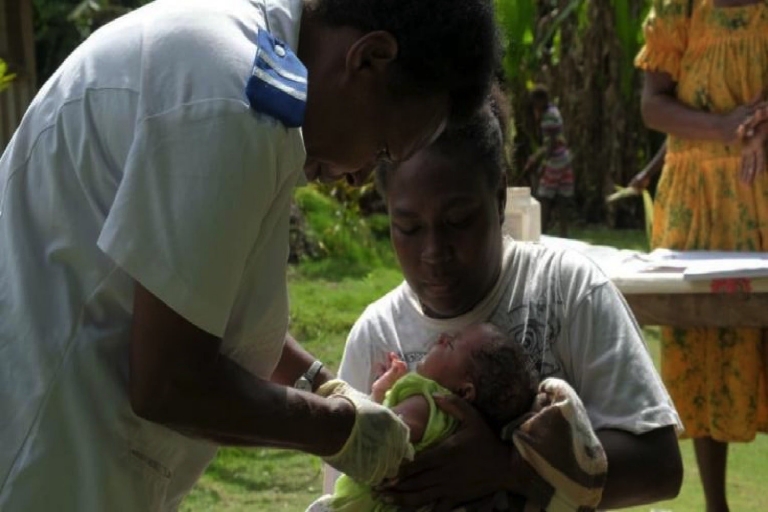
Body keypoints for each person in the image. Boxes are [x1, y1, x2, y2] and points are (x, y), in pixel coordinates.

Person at [0, 0, 500, 509]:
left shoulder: (252, 70)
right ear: (369, 58)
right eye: (383, 150)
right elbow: (169, 382)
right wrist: (342, 431)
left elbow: (194, 294)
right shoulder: (232, 100)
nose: (358, 177)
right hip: (38, 459)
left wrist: (326, 386)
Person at [330, 88, 683, 510]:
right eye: (407, 227)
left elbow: (659, 467)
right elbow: (343, 490)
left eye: (458, 221)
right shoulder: (376, 334)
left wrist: (510, 467)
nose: (433, 252)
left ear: (498, 198)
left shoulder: (565, 290)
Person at [633, 1, 768, 510]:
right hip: (696, 203)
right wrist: (727, 126)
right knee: (703, 341)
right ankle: (716, 505)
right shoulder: (680, 9)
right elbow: (653, 106)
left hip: (763, 188)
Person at [309, 322, 541, 511]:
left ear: (464, 391)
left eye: (450, 344)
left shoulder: (428, 403)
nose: (441, 337)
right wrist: (381, 394)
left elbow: (380, 435)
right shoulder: (458, 428)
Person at [524, 84, 574, 237]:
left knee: (544, 196)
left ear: (542, 100)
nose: (534, 107)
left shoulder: (547, 116)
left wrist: (542, 164)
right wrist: (535, 157)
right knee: (562, 197)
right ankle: (563, 234)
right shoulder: (554, 110)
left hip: (555, 161)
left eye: (535, 103)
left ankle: (541, 233)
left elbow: (550, 144)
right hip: (565, 158)